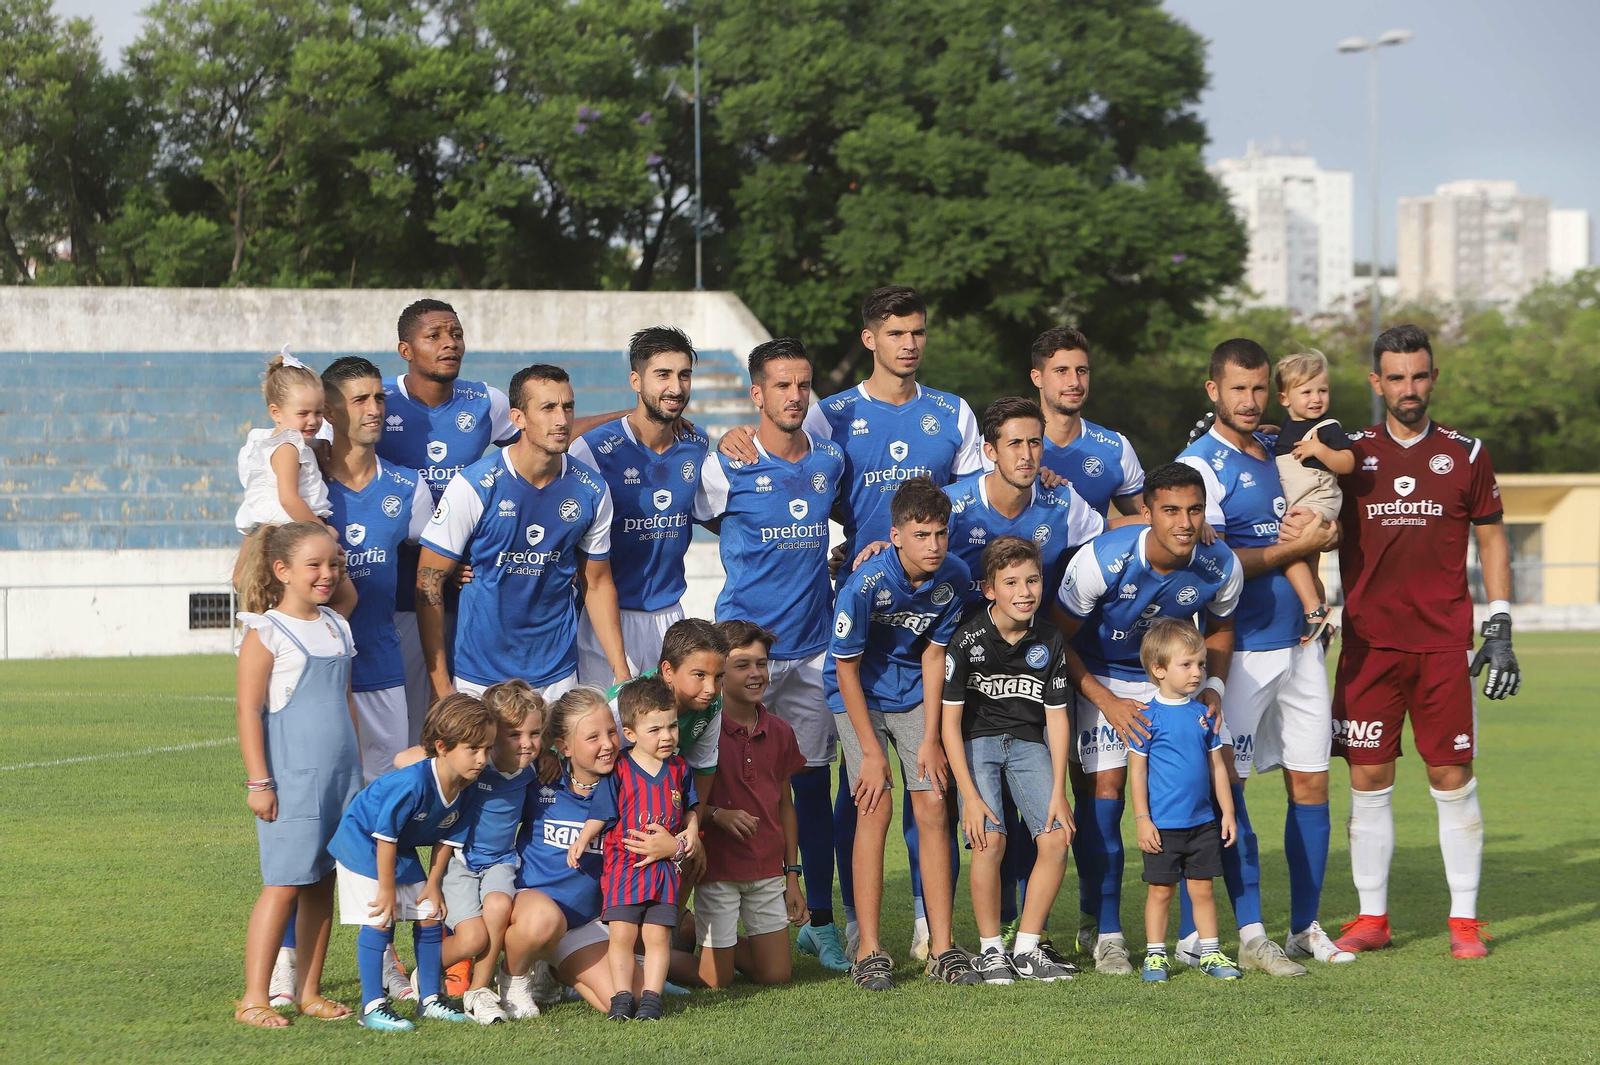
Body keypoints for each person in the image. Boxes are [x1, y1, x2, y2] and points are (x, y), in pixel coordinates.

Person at [720, 287, 984, 964]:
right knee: (851, 790)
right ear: (870, 338)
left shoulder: (953, 412)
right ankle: (817, 920)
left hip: (920, 624)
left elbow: (970, 505)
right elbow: (797, 480)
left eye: (918, 331)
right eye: (896, 331)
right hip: (849, 627)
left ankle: (932, 925)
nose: (910, 343)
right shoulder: (831, 420)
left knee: (923, 790)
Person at [1324, 324, 1521, 960]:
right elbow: (1284, 466)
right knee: (1369, 779)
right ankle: (1371, 917)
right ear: (1377, 383)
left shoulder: (1467, 454)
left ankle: (1464, 921)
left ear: (1433, 378)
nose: (1409, 388)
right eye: (1396, 377)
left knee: (1451, 776)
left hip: (1442, 645)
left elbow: (1491, 534)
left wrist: (1501, 619)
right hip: (1368, 646)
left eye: (1419, 375)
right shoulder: (1347, 453)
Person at [1175, 339, 1348, 974]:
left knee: (1312, 781)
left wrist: (1322, 534)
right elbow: (1211, 562)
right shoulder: (1200, 467)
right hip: (1239, 652)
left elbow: (1319, 520)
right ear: (1212, 390)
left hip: (1302, 644)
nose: (1248, 402)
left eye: (1257, 389)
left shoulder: (1278, 450)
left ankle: (1305, 926)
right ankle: (1218, 932)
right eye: (1237, 389)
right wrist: (1282, 551)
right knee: (1228, 791)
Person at [1046, 462, 1242, 974]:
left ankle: (1196, 937)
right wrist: (1105, 701)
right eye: (1171, 510)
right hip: (1101, 675)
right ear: (1147, 512)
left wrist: (1214, 688)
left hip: (1176, 677)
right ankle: (1106, 929)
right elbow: (1055, 637)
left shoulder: (1220, 562)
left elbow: (1221, 628)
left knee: (1216, 782)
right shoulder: (1103, 560)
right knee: (1108, 788)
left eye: (1194, 510)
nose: (1184, 522)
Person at [692, 337, 850, 970]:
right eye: (781, 386)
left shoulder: (831, 462)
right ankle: (701, 921)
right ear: (756, 393)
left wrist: (856, 553)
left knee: (811, 786)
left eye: (802, 385)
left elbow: (858, 522)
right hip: (740, 654)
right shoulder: (723, 465)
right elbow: (687, 523)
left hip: (811, 651)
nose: (794, 396)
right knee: (721, 783)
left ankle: (820, 920)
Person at [825, 477, 979, 990]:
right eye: (921, 535)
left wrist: (931, 738)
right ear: (895, 535)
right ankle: (868, 950)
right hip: (858, 692)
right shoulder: (866, 581)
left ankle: (942, 947)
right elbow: (845, 669)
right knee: (875, 802)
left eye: (940, 533)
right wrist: (871, 751)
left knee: (934, 800)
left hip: (912, 690)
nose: (933, 546)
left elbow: (934, 654)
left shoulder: (953, 576)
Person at [417, 364, 630, 702]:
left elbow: (598, 582)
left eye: (568, 407)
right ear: (517, 418)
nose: (561, 420)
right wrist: (441, 687)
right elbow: (428, 581)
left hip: (556, 672)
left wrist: (621, 670)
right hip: (478, 675)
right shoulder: (474, 485)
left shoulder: (592, 490)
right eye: (547, 408)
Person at [232, 521, 363, 1027]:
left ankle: (309, 991)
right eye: (315, 565)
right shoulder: (266, 630)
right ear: (282, 571)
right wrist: (259, 782)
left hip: (340, 779)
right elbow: (248, 712)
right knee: (283, 884)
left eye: (334, 564)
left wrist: (357, 775)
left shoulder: (336, 625)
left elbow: (344, 702)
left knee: (321, 881)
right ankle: (253, 998)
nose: (327, 574)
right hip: (291, 778)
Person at [374, 299, 519, 740]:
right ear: (405, 349)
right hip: (392, 589)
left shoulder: (485, 401)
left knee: (464, 724)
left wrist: (632, 418)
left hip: (463, 587)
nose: (449, 343)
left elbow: (545, 431)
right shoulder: (376, 399)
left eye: (455, 333)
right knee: (402, 729)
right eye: (434, 335)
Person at [497, 686, 686, 1017]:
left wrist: (677, 845)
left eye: (611, 732)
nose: (608, 744)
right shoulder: (539, 779)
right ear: (564, 747)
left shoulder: (631, 781)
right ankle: (512, 978)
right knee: (544, 920)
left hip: (587, 922)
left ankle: (552, 971)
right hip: (533, 910)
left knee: (634, 1000)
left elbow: (679, 804)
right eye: (592, 737)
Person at [941, 537, 1076, 984]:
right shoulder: (968, 639)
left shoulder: (1050, 638)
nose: (1024, 591)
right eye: (1012, 582)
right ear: (989, 588)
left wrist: (1058, 791)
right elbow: (949, 725)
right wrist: (969, 797)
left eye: (1033, 580)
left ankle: (1027, 948)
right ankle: (990, 950)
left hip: (1027, 741)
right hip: (976, 743)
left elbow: (1057, 721)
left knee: (1057, 837)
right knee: (990, 840)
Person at [328, 693, 495, 1030]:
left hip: (395, 847)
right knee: (380, 918)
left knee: (431, 914)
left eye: (487, 749)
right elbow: (384, 836)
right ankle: (372, 1006)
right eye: (472, 749)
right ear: (442, 747)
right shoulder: (412, 783)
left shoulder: (469, 785)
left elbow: (447, 839)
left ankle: (430, 999)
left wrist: (433, 885)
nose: (482, 759)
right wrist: (387, 889)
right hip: (362, 841)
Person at [569, 327, 710, 687]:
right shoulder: (593, 450)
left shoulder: (696, 443)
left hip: (671, 617)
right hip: (607, 618)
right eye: (662, 375)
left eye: (684, 375)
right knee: (607, 737)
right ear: (636, 380)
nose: (676, 388)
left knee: (666, 737)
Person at [321, 356, 435, 782]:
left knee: (387, 791)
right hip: (317, 667)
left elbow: (437, 559)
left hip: (383, 664)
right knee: (328, 792)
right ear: (330, 411)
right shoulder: (304, 487)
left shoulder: (408, 486)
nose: (374, 409)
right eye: (360, 400)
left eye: (379, 398)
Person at [408, 680, 547, 1024]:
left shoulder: (531, 769)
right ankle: (426, 969)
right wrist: (433, 881)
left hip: (501, 861)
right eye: (515, 734)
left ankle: (479, 992)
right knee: (472, 938)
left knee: (499, 905)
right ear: (491, 735)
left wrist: (552, 758)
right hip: (461, 862)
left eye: (535, 733)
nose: (527, 743)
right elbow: (446, 827)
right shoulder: (474, 769)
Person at [568, 676, 702, 1021]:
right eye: (655, 729)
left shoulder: (680, 768)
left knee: (658, 938)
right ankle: (622, 998)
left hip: (664, 873)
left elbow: (691, 808)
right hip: (624, 874)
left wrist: (692, 828)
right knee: (623, 937)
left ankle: (652, 999)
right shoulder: (620, 770)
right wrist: (583, 839)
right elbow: (602, 812)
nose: (667, 736)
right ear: (630, 734)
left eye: (672, 726)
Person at [693, 620, 808, 988]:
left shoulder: (781, 732)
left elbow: (786, 806)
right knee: (716, 982)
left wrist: (792, 874)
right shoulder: (699, 731)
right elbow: (686, 802)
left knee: (776, 976)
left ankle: (688, 932)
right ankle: (657, 949)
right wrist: (716, 815)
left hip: (767, 872)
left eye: (761, 663)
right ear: (720, 673)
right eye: (742, 665)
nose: (756, 673)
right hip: (718, 871)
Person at [1129, 618, 1242, 982]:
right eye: (1187, 664)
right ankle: (1155, 956)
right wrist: (1143, 819)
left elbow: (1217, 769)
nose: (1197, 673)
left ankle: (1209, 953)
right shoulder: (1146, 717)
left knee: (1204, 890)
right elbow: (1138, 773)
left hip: (1202, 823)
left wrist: (1227, 812)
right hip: (1162, 827)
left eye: (1201, 664)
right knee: (1161, 892)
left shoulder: (1203, 715)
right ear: (1158, 670)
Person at [943, 396, 1104, 613]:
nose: (1026, 455)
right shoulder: (950, 505)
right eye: (1015, 443)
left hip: (1032, 638)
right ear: (990, 452)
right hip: (955, 637)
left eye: (1034, 443)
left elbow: (1111, 530)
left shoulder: (1062, 501)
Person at [1271, 349, 1355, 643]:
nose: (1316, 398)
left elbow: (1347, 462)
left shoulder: (1326, 429)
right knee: (1308, 566)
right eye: (1306, 391)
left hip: (1318, 501)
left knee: (1286, 550)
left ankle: (1313, 611)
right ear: (1285, 399)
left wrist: (1320, 450)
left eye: (1323, 390)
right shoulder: (1286, 427)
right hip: (1300, 502)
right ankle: (1324, 623)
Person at [1028, 327, 1146, 519]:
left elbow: (1151, 519)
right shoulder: (1004, 446)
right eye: (1062, 371)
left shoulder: (1116, 448)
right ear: (1037, 378)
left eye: (1081, 371)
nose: (1074, 382)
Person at [604, 618, 728, 792]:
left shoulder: (712, 705)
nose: (710, 689)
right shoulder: (621, 705)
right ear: (668, 671)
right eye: (700, 675)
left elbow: (703, 767)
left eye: (718, 677)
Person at [234, 349, 334, 535]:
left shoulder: (287, 444)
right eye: (303, 413)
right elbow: (289, 499)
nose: (312, 421)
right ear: (275, 413)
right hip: (288, 531)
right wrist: (322, 531)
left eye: (318, 412)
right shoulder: (287, 448)